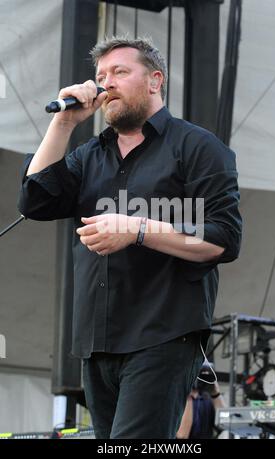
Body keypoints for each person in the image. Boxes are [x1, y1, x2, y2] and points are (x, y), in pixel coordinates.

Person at [18, 37, 242, 439]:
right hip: (97, 338)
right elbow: (34, 200)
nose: (107, 84)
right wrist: (65, 122)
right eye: (101, 76)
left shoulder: (196, 147)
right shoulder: (89, 155)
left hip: (163, 333)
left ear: (155, 81)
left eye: (120, 72)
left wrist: (138, 229)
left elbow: (223, 237)